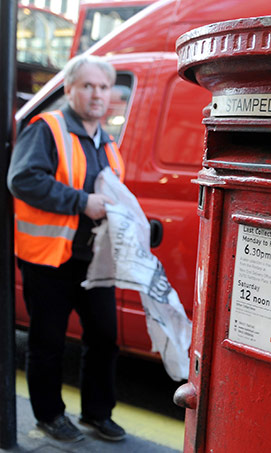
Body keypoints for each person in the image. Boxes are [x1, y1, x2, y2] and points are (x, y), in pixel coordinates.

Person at [7, 54, 126, 442]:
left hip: (93, 260)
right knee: (48, 341)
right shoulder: (48, 128)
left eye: (104, 87)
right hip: (48, 258)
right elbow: (23, 179)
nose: (97, 94)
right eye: (88, 86)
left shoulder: (106, 141)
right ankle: (49, 415)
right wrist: (81, 202)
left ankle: (97, 413)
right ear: (69, 89)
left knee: (105, 336)